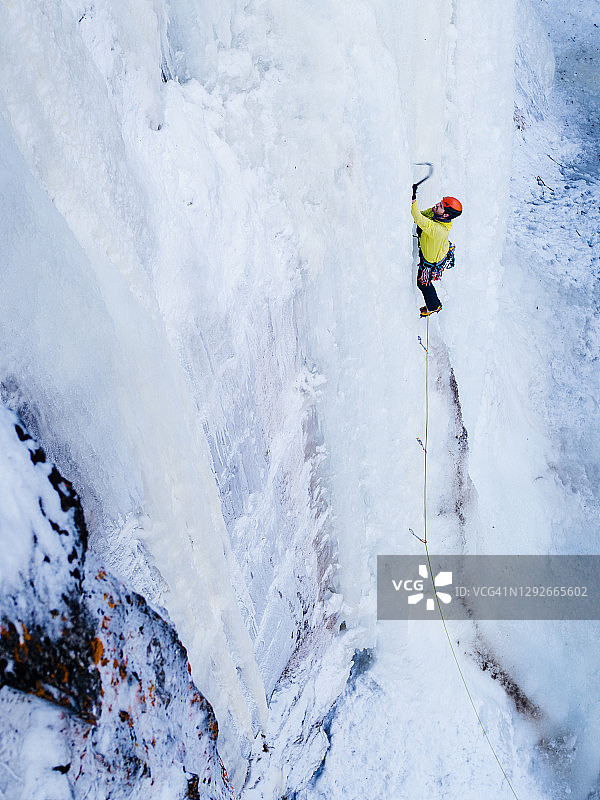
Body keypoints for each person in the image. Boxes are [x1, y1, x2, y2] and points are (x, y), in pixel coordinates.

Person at [411, 186, 462, 317]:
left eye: (439, 206)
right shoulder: (437, 214)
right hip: (437, 250)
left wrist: (413, 200)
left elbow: (418, 218)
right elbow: (422, 215)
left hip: (431, 261)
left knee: (422, 283)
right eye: (439, 203)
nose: (436, 205)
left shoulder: (439, 229)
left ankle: (434, 305)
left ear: (445, 214)